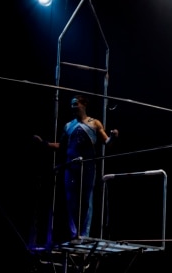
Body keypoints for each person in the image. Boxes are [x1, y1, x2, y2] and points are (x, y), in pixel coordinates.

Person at [34, 94, 119, 240]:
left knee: (86, 201)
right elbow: (61, 146)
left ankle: (84, 234)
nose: (73, 107)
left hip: (87, 168)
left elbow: (107, 142)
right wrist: (44, 143)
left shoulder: (95, 123)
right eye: (72, 104)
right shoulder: (68, 125)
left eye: (75, 104)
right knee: (71, 200)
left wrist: (114, 136)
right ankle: (74, 234)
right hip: (71, 168)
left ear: (84, 105)